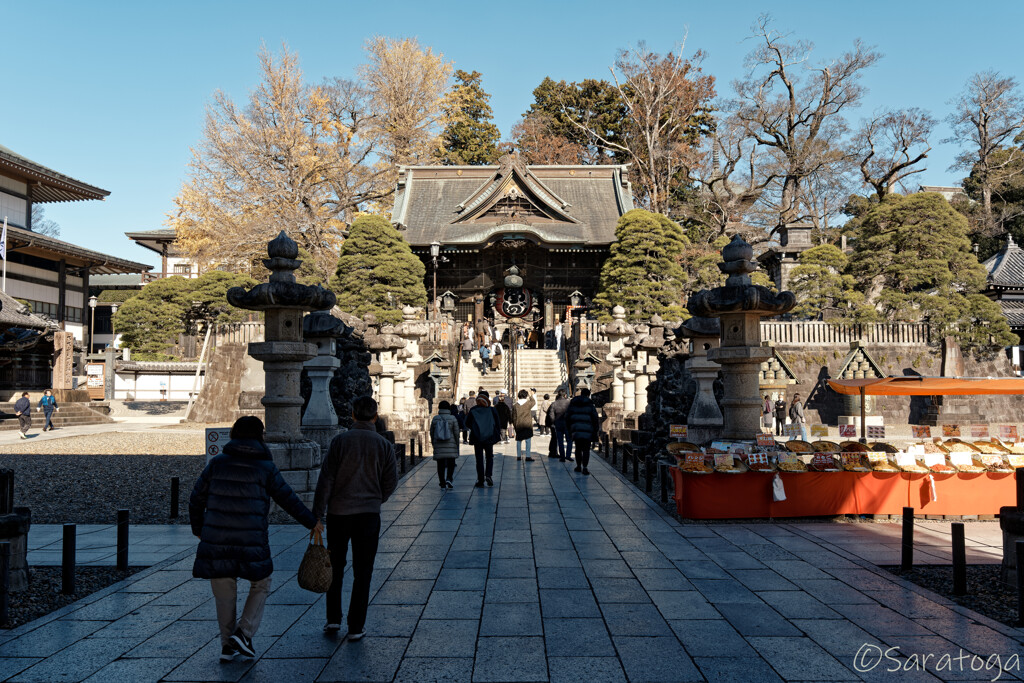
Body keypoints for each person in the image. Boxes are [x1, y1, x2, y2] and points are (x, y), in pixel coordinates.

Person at [189, 416, 320, 662]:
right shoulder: (265, 468)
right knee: (261, 582)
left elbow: (196, 498)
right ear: (261, 437)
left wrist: (199, 528)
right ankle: (244, 632)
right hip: (251, 538)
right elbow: (287, 498)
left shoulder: (217, 464)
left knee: (224, 590)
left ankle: (228, 645)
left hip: (217, 538)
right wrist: (311, 522)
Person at [313, 396, 398, 639]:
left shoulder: (340, 441)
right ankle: (356, 625)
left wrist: (317, 513)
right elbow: (391, 480)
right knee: (363, 570)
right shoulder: (382, 444)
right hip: (368, 514)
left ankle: (332, 619)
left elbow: (326, 479)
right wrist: (376, 498)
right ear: (375, 416)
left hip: (339, 513)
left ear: (352, 415)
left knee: (335, 566)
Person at [467, 392, 500, 487]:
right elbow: (497, 423)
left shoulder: (473, 410)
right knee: (489, 457)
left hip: (477, 438)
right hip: (489, 437)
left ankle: (480, 479)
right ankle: (488, 475)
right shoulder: (492, 410)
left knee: (479, 459)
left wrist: (475, 429)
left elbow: (467, 423)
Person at [566, 388, 600, 475]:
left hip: (576, 429)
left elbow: (567, 416)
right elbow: (595, 418)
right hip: (587, 430)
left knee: (578, 448)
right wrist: (595, 430)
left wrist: (570, 428)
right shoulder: (590, 405)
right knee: (586, 449)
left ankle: (578, 466)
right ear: (588, 395)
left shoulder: (573, 404)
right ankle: (585, 467)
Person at [430, 401, 460, 489]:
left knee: (440, 464)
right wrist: (456, 443)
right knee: (451, 463)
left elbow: (432, 432)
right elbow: (456, 432)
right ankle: (449, 478)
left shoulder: (435, 419)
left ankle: (442, 482)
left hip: (439, 444)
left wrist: (433, 443)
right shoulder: (452, 418)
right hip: (450, 444)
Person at [547, 390, 572, 462]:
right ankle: (568, 455)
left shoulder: (554, 403)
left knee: (560, 441)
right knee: (569, 440)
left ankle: (562, 456)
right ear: (565, 395)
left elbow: (551, 415)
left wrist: (554, 422)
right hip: (567, 424)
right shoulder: (569, 403)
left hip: (558, 424)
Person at [512, 389, 536, 462]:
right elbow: (534, 402)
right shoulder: (528, 404)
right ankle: (528, 456)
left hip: (519, 424)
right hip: (527, 424)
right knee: (528, 441)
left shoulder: (515, 405)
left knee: (519, 441)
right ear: (526, 396)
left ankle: (518, 456)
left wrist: (515, 425)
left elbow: (513, 417)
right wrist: (530, 395)